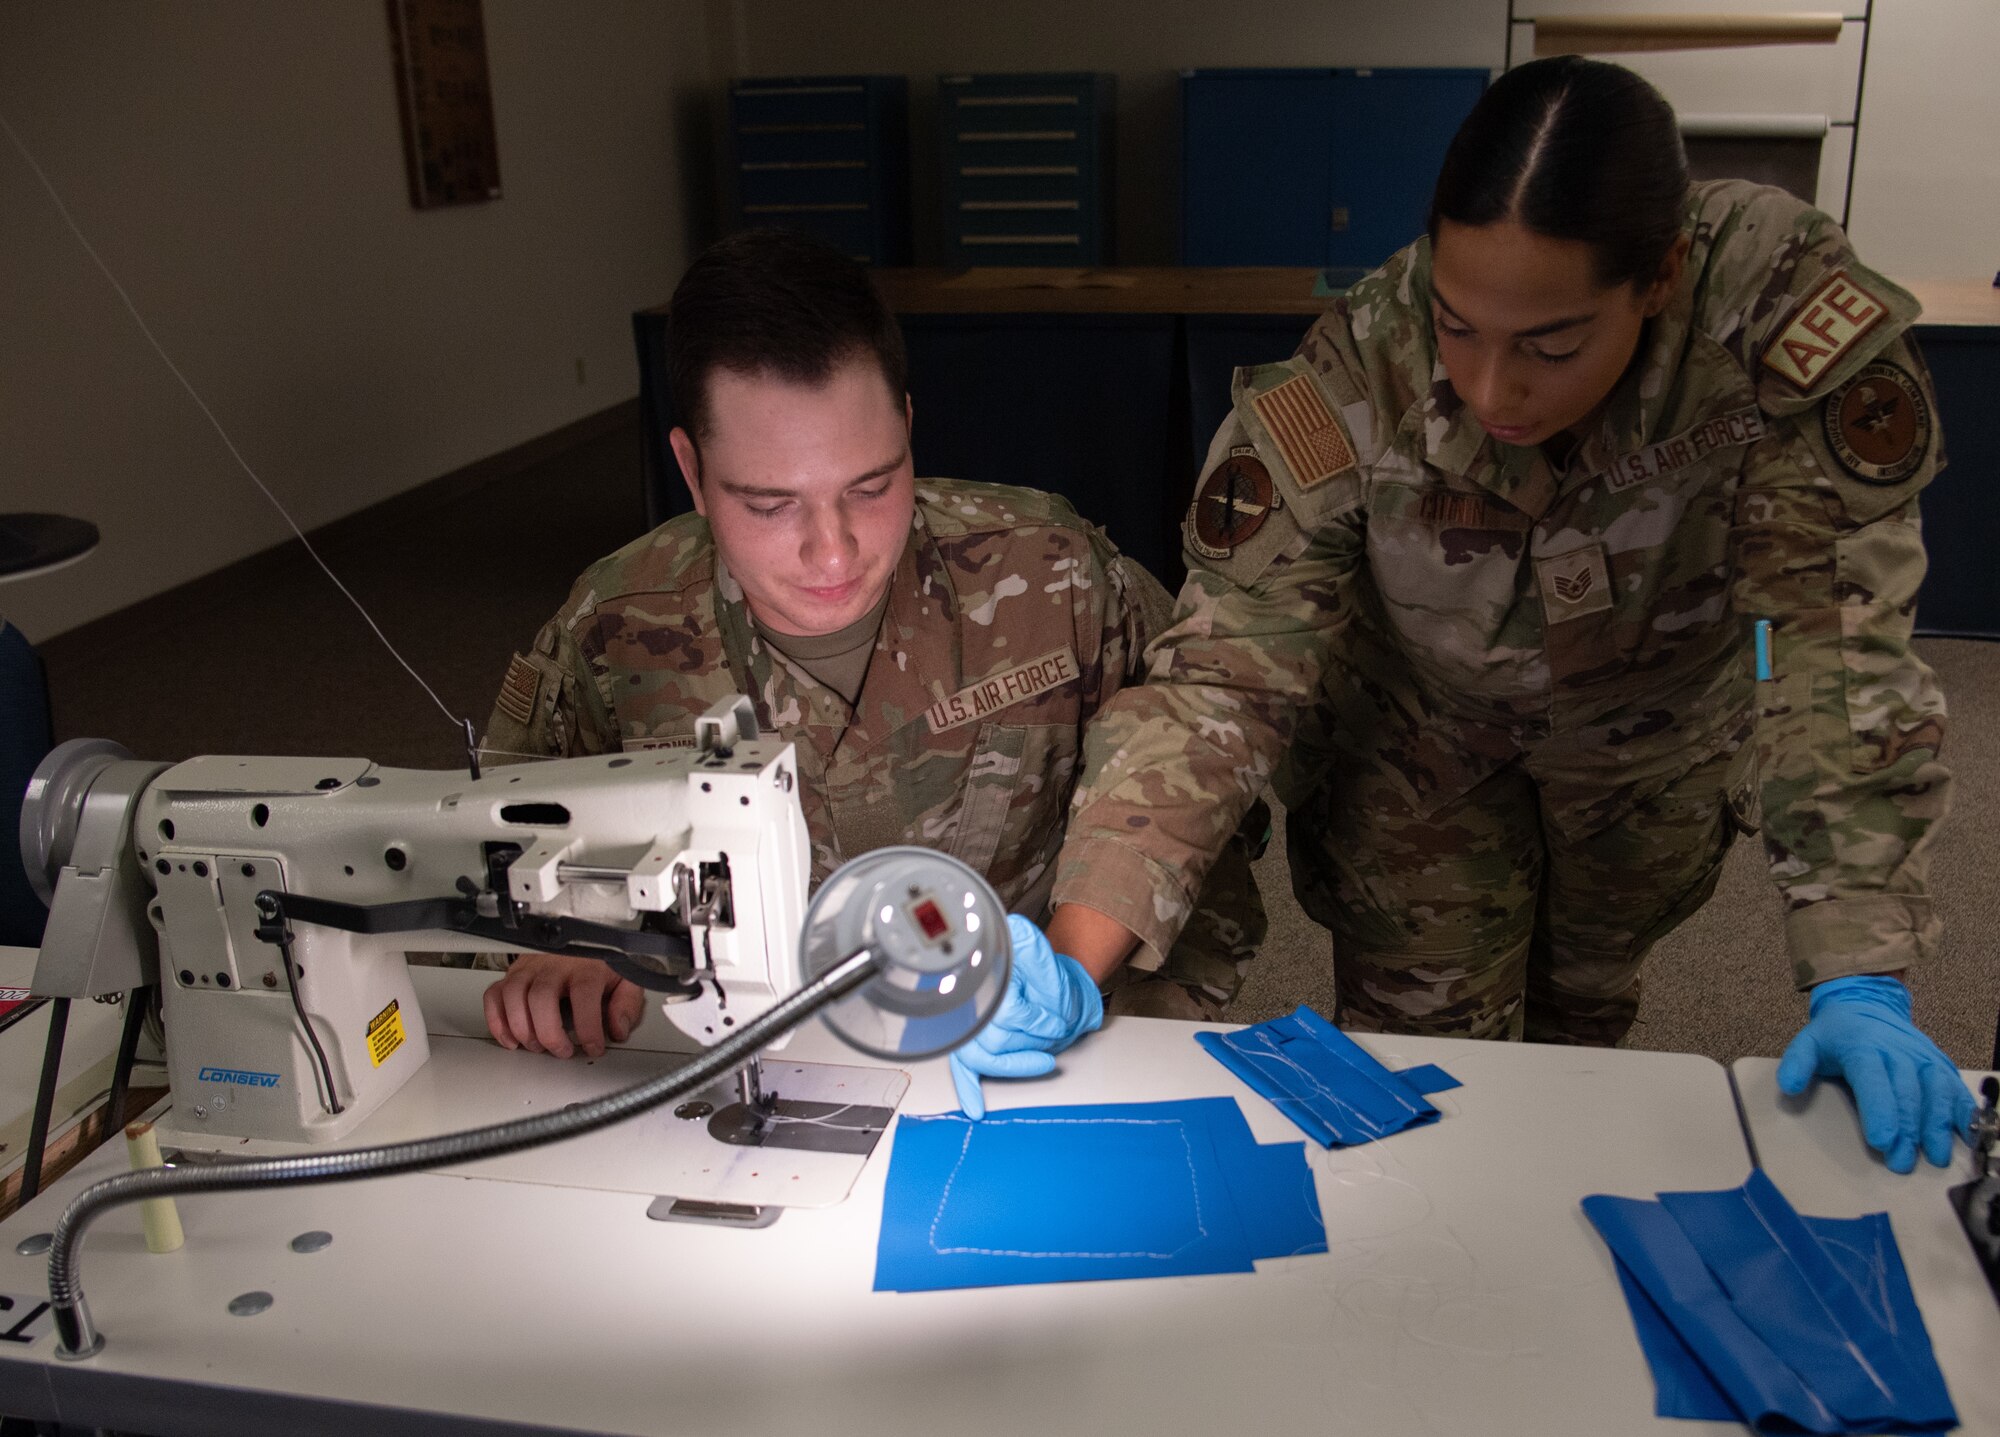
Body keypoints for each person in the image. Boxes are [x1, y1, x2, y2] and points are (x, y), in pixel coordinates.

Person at [1006, 56, 1965, 1173]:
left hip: (1645, 750)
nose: (1489, 389)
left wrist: (1857, 966)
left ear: (1655, 278)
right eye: (1456, 326)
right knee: (1426, 1076)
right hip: (1416, 748)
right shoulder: (1360, 365)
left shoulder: (1768, 319)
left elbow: (1818, 646)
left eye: (1549, 345)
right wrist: (1084, 944)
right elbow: (1225, 670)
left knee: (1585, 1035)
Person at [470, 229, 1266, 1114]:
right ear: (692, 472)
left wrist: (1087, 999)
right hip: (737, 1084)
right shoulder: (615, 632)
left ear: (910, 431)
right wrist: (559, 942)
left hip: (1031, 1078)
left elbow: (1201, 807)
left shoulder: (1055, 578)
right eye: (771, 504)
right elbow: (484, 861)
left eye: (872, 485)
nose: (832, 548)